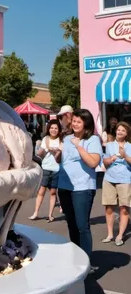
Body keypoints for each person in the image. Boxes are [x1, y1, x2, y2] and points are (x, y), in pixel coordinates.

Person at [57, 109, 102, 271]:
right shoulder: (67, 138)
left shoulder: (93, 140)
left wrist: (79, 147)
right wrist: (57, 155)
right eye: (73, 121)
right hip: (64, 186)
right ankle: (77, 257)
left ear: (86, 124)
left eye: (78, 122)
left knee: (82, 226)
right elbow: (64, 160)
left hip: (82, 187)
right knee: (71, 224)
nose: (74, 124)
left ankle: (86, 263)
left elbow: (93, 163)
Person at [101, 121, 131, 246]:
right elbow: (105, 161)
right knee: (109, 207)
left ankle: (120, 235)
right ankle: (110, 234)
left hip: (125, 179)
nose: (120, 132)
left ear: (127, 133)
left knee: (124, 208)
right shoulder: (109, 145)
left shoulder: (129, 146)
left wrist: (125, 156)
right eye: (119, 129)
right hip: (109, 178)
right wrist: (110, 159)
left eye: (123, 130)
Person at [29, 120, 63, 222]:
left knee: (53, 192)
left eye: (56, 128)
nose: (53, 130)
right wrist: (42, 150)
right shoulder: (45, 139)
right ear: (48, 128)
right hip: (46, 168)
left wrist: (56, 152)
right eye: (52, 128)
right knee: (41, 191)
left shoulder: (61, 141)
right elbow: (40, 153)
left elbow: (59, 157)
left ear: (59, 130)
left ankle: (50, 215)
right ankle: (35, 213)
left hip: (56, 169)